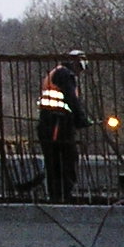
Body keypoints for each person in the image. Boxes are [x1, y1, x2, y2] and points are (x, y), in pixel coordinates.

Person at [36, 51, 91, 203]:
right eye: (80, 68)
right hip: (57, 125)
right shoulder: (65, 75)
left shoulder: (57, 72)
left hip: (49, 123)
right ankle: (63, 195)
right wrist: (81, 119)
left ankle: (56, 195)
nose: (80, 72)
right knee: (66, 158)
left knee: (54, 161)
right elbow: (72, 100)